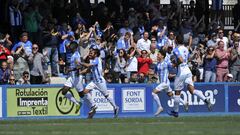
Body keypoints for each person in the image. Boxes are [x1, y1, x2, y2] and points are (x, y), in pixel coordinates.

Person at [168, 35, 212, 117]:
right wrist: (194, 55)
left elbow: (181, 60)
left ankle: (175, 112)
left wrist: (175, 65)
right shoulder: (185, 49)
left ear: (176, 41)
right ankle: (206, 100)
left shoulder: (176, 49)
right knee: (192, 90)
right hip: (188, 71)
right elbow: (188, 59)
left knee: (177, 93)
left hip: (181, 72)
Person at [81, 48, 119, 118]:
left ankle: (115, 107)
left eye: (91, 53)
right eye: (89, 52)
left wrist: (80, 62)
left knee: (106, 96)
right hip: (94, 81)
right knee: (84, 92)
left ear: (95, 54)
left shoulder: (97, 59)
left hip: (100, 81)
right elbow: (88, 69)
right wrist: (80, 72)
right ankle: (93, 106)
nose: (89, 54)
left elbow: (89, 66)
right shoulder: (92, 60)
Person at [59, 41, 95, 116]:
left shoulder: (77, 55)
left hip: (77, 77)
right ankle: (77, 103)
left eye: (71, 45)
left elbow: (79, 66)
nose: (69, 46)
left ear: (75, 47)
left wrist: (70, 70)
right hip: (71, 77)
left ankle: (92, 105)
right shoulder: (72, 55)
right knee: (64, 91)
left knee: (81, 95)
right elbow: (73, 64)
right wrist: (64, 64)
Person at [152, 49, 188, 117]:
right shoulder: (157, 65)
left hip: (165, 83)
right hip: (164, 83)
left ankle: (160, 107)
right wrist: (153, 77)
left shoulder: (167, 63)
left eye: (158, 54)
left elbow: (174, 67)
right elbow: (155, 74)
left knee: (153, 93)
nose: (157, 55)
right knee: (171, 95)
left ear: (162, 56)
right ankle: (184, 102)